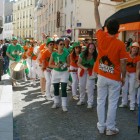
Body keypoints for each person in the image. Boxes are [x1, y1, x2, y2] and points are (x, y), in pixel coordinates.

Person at [94, 0, 127, 135]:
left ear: (106, 28)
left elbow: (97, 21)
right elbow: (123, 63)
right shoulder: (120, 44)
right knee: (112, 103)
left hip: (101, 75)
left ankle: (101, 126)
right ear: (118, 30)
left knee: (101, 101)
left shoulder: (101, 36)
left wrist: (96, 7)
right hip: (114, 77)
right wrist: (123, 77)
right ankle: (110, 128)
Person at [49, 38, 70, 112]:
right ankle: (56, 102)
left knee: (64, 88)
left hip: (64, 73)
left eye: (63, 44)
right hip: (56, 73)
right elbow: (50, 64)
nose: (62, 46)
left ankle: (64, 105)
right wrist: (56, 66)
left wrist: (63, 65)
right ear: (57, 45)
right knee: (56, 88)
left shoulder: (66, 53)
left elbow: (69, 63)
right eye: (61, 44)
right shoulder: (53, 54)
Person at [119, 42, 140, 110]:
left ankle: (132, 105)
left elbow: (138, 68)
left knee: (132, 89)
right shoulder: (126, 55)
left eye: (136, 49)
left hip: (133, 73)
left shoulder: (138, 57)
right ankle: (124, 103)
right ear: (131, 48)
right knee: (124, 88)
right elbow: (122, 64)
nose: (135, 50)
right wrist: (125, 72)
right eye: (134, 48)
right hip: (125, 72)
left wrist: (137, 77)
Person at [77, 43, 97, 108]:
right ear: (87, 48)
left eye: (93, 49)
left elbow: (95, 65)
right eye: (90, 48)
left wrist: (94, 72)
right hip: (82, 70)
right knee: (81, 86)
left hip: (91, 71)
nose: (91, 50)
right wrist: (84, 67)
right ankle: (82, 99)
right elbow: (78, 63)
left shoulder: (95, 56)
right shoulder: (83, 54)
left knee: (90, 87)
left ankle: (90, 102)